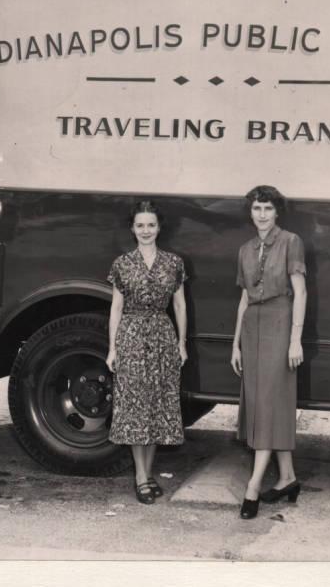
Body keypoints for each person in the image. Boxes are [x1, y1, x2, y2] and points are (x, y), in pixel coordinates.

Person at [230, 185, 307, 520]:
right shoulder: (246, 249)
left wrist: (295, 339)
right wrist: (236, 343)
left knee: (268, 404)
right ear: (251, 212)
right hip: (252, 327)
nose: (261, 214)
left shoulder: (291, 242)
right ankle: (287, 477)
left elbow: (301, 293)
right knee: (265, 403)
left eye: (267, 209)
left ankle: (253, 486)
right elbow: (244, 298)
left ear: (277, 212)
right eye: (257, 208)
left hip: (280, 323)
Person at [106, 201, 188, 505]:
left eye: (150, 225)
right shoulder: (122, 264)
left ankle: (148, 473)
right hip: (131, 336)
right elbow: (115, 308)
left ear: (159, 228)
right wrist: (112, 348)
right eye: (140, 225)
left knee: (156, 408)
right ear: (132, 228)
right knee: (134, 408)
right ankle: (141, 477)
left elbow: (180, 305)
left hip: (163, 337)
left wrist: (182, 343)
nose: (145, 231)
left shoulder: (174, 263)